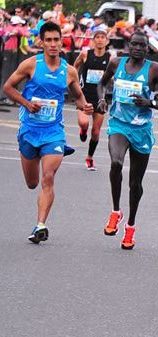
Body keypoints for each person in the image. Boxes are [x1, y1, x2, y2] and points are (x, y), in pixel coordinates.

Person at [2, 21, 93, 243]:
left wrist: (85, 106)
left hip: (53, 132)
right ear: (42, 42)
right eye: (49, 40)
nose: (53, 44)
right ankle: (39, 221)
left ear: (62, 41)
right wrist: (26, 103)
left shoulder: (69, 71)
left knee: (48, 177)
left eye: (56, 40)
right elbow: (8, 87)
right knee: (32, 183)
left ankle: (40, 225)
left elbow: (78, 97)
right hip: (30, 131)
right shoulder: (30, 65)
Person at [97, 31, 158, 250]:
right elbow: (101, 84)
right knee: (116, 163)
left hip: (141, 130)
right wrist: (101, 100)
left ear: (148, 48)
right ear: (128, 45)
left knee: (135, 183)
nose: (137, 48)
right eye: (134, 44)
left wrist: (149, 103)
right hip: (118, 123)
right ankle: (116, 212)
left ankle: (130, 226)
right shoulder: (116, 63)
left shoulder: (155, 69)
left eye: (142, 46)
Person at [73, 29, 112, 171]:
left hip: (100, 97)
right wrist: (74, 81)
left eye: (103, 37)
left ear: (107, 41)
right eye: (98, 37)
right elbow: (75, 67)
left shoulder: (110, 58)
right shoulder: (85, 54)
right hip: (84, 95)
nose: (100, 40)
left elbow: (113, 75)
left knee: (96, 132)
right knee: (84, 123)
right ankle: (83, 130)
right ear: (93, 40)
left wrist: (111, 81)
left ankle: (89, 157)